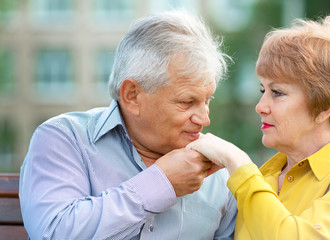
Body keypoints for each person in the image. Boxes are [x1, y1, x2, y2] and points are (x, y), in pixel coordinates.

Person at [19, 11, 236, 240]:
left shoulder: (217, 173)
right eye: (187, 102)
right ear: (132, 96)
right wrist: (161, 183)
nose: (204, 119)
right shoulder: (64, 140)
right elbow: (54, 233)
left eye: (207, 100)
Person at [188, 15, 330, 239]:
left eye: (277, 93)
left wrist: (236, 162)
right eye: (263, 91)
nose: (261, 107)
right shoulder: (263, 178)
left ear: (325, 108)